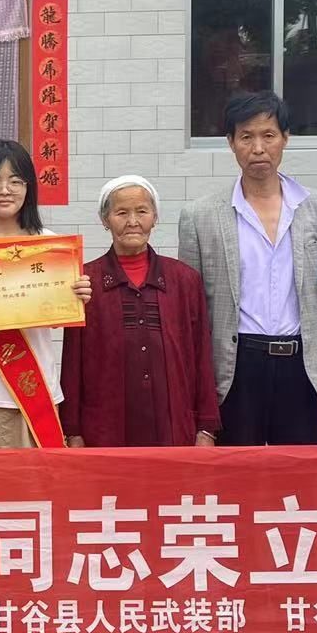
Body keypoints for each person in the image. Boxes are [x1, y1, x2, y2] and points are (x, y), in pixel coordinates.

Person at [177, 91, 317, 445]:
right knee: (236, 471)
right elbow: (191, 311)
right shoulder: (200, 216)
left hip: (301, 365)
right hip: (235, 366)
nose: (258, 148)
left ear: (285, 138)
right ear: (230, 142)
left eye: (268, 135)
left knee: (298, 471)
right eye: (246, 137)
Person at [0, 140, 92, 449]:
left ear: (29, 187)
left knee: (37, 481)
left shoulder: (52, 247)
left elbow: (55, 318)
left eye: (15, 181)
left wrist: (76, 297)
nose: (4, 190)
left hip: (39, 395)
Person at [61, 175, 220, 448]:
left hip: (174, 428)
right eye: (121, 213)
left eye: (142, 211)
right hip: (105, 431)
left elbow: (201, 356)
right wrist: (72, 431)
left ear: (155, 217)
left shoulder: (184, 280)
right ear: (105, 219)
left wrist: (206, 427)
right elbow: (72, 363)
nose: (133, 221)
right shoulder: (86, 282)